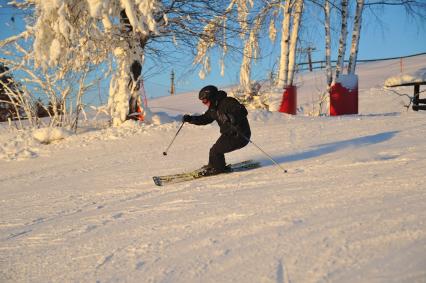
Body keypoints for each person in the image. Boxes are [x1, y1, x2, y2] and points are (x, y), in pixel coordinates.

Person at [182, 85, 251, 176]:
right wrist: (191, 119)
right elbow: (205, 118)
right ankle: (214, 165)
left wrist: (233, 118)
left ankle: (217, 169)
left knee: (215, 151)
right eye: (202, 101)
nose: (204, 103)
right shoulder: (213, 109)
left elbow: (242, 111)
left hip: (240, 134)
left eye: (205, 100)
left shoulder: (228, 102)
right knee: (214, 150)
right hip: (229, 135)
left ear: (211, 97)